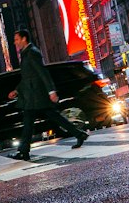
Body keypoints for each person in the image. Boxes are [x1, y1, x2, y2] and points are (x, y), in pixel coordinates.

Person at [9, 28, 88, 161]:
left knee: (30, 122)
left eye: (17, 39)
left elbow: (43, 72)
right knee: (52, 117)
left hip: (37, 95)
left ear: (24, 39)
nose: (15, 42)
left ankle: (24, 152)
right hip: (32, 96)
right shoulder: (26, 53)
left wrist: (51, 91)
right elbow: (27, 77)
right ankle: (79, 134)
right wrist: (17, 90)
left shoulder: (32, 53)